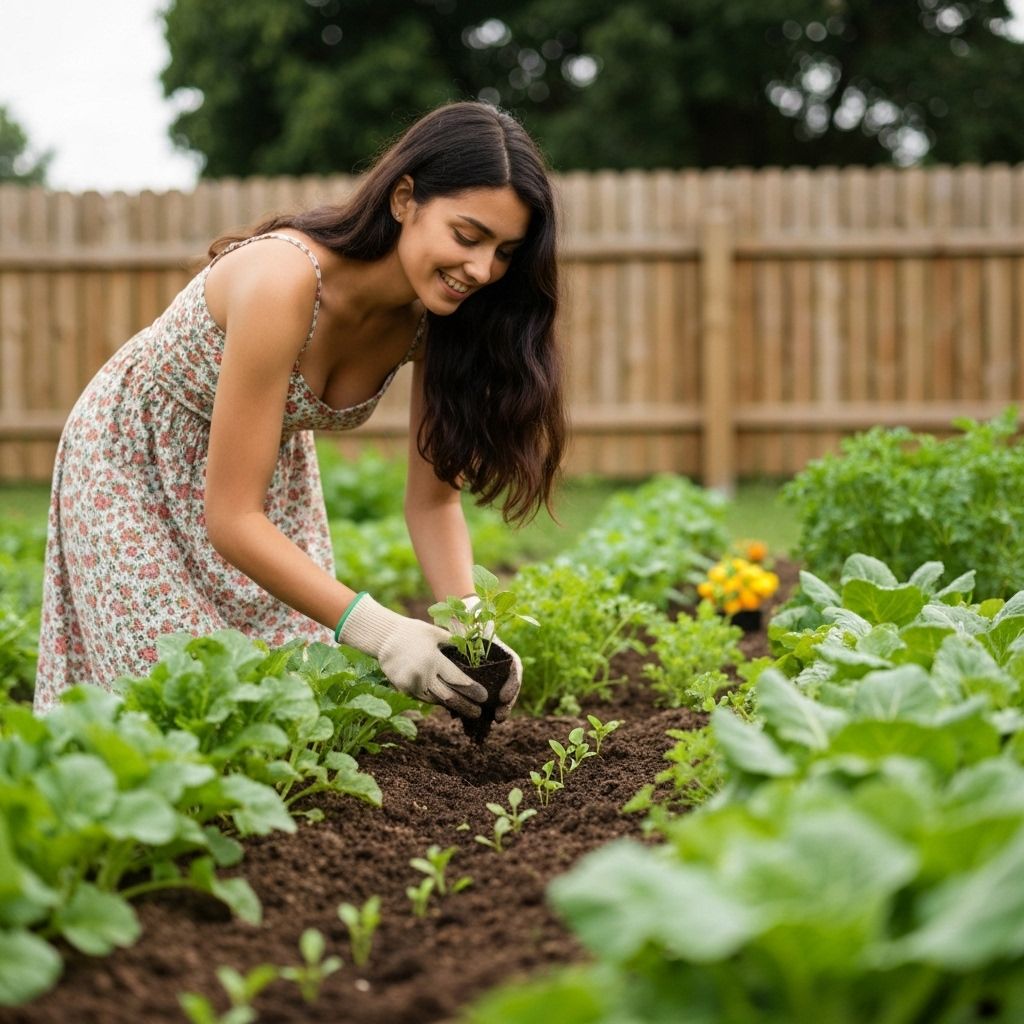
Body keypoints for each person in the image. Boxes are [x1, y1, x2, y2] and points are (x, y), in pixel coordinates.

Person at [33, 101, 566, 720]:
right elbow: (232, 516)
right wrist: (384, 632)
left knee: (284, 704)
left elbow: (434, 501)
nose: (481, 269)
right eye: (467, 236)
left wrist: (475, 630)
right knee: (169, 706)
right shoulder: (285, 281)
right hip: (132, 455)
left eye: (504, 252)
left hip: (265, 467)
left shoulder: (433, 319)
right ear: (403, 199)